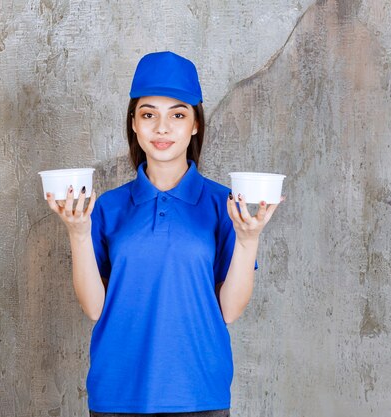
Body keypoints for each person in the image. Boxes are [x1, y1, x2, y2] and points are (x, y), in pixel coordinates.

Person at [46, 51, 282, 417]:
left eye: (177, 114)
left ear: (195, 125)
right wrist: (77, 232)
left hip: (199, 393)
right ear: (134, 125)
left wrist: (249, 239)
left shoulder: (227, 205)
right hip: (117, 393)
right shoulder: (106, 207)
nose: (162, 128)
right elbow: (94, 308)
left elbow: (230, 311)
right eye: (148, 115)